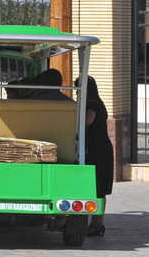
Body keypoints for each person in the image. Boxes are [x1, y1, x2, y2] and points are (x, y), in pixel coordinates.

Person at [76, 75, 113, 237]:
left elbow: (87, 122)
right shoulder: (94, 102)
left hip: (98, 151)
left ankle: (97, 224)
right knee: (97, 187)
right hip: (96, 148)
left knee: (98, 187)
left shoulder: (93, 104)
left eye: (78, 88)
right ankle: (96, 223)